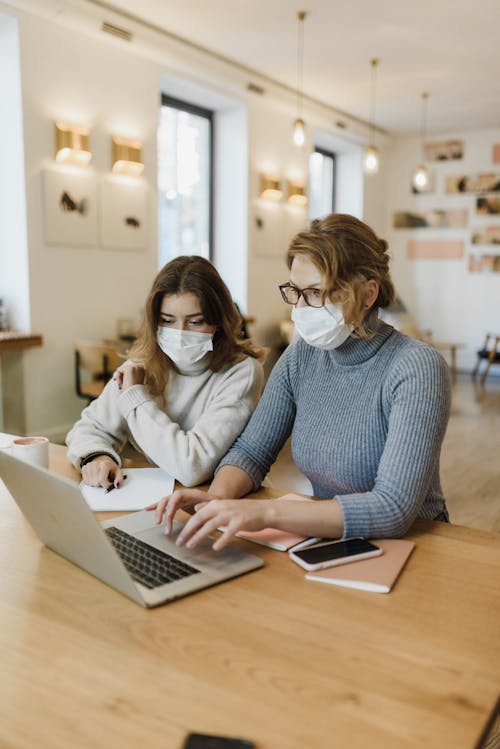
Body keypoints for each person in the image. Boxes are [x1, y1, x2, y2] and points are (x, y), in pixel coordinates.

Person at [153, 213, 451, 550]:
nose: (299, 307)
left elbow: (392, 508)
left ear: (368, 295)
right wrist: (217, 500)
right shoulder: (301, 357)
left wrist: (266, 513)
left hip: (416, 544)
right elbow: (251, 451)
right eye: (294, 291)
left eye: (314, 293)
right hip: (335, 538)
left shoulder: (416, 367)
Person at [67, 255, 265, 489]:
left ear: (219, 321)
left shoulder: (241, 372)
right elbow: (88, 428)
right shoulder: (143, 363)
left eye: (195, 322)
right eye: (167, 320)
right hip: (158, 494)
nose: (179, 333)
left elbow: (191, 467)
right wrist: (97, 457)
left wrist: (135, 396)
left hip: (216, 499)